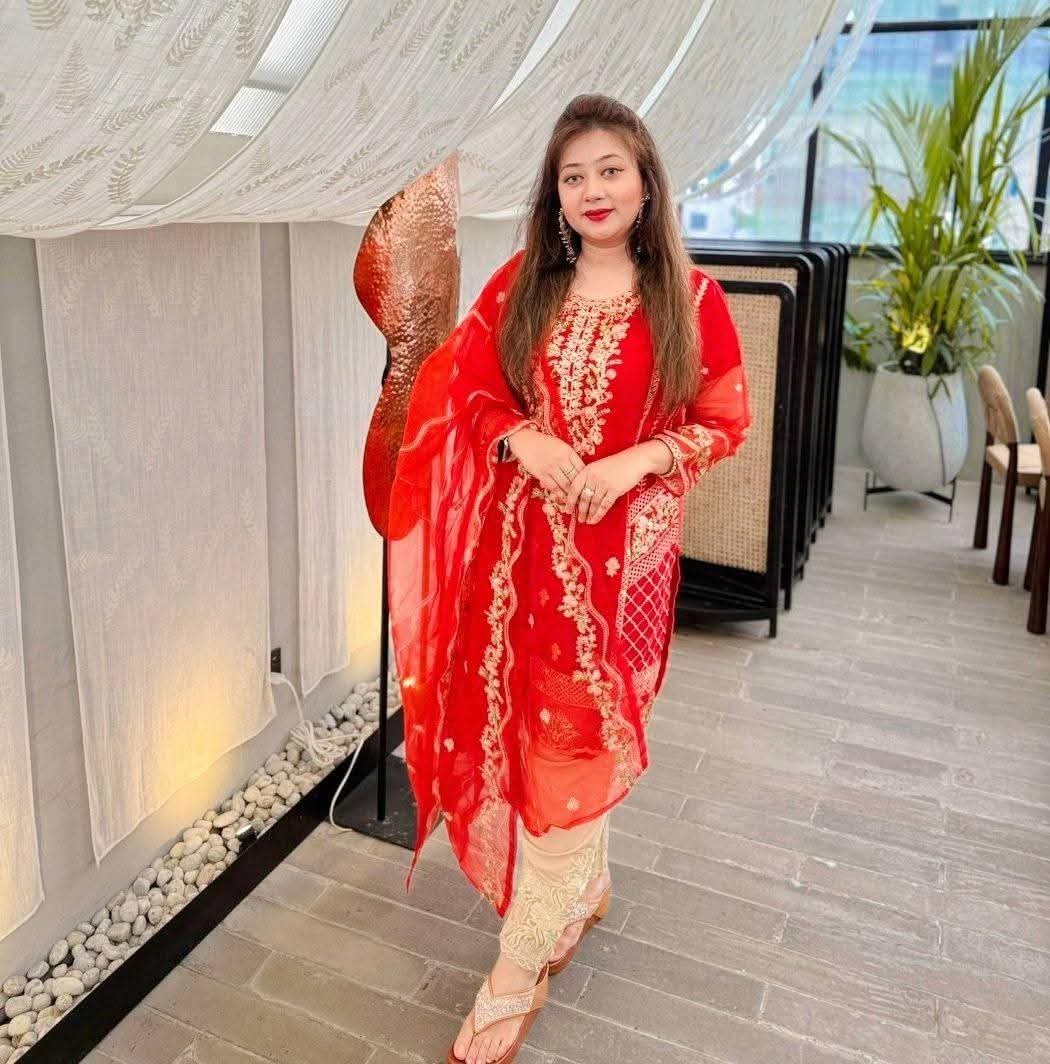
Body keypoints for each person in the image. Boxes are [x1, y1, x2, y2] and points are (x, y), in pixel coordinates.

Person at [386, 93, 753, 1064]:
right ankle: (580, 886)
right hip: (520, 564)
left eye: (610, 170)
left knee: (575, 739)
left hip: (620, 574)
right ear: (555, 195)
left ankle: (516, 971)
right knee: (538, 736)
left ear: (646, 182)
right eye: (573, 175)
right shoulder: (525, 286)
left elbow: (724, 421)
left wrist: (638, 461)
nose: (593, 190)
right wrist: (522, 436)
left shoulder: (692, 299)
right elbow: (468, 385)